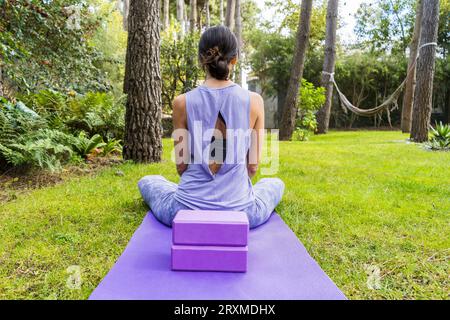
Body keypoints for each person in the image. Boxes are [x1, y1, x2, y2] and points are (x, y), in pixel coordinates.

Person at [138, 25, 284, 229]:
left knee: (148, 180)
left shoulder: (181, 102)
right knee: (275, 184)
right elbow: (252, 166)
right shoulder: (255, 101)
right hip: (242, 213)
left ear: (201, 60)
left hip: (184, 211)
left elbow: (181, 166)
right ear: (235, 59)